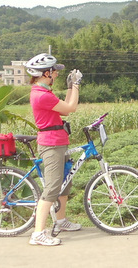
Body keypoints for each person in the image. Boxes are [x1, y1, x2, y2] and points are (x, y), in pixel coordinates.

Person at [24, 53, 83, 246]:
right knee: (52, 188)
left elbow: (65, 109)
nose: (56, 74)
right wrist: (76, 85)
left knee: (64, 183)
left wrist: (69, 87)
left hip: (58, 141)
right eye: (54, 71)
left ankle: (61, 221)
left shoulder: (45, 92)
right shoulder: (41, 95)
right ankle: (38, 233)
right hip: (51, 144)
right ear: (46, 73)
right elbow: (72, 108)